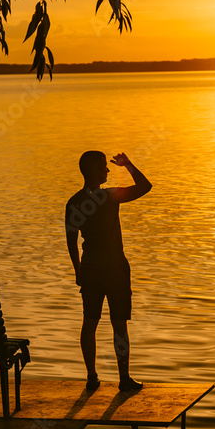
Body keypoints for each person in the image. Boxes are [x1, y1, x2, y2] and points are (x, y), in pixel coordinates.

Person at [65, 151, 151, 392]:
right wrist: (128, 165)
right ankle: (124, 379)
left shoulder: (74, 202)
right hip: (114, 268)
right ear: (94, 171)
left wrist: (77, 270)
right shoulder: (110, 196)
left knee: (89, 322)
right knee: (119, 325)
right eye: (104, 167)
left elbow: (71, 240)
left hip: (90, 267)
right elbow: (145, 186)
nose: (108, 170)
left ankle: (91, 377)